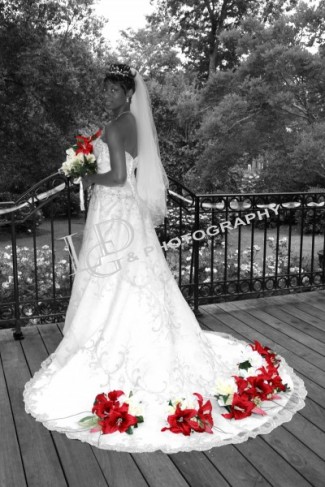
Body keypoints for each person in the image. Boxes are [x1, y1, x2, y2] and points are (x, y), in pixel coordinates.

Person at [23, 64, 307, 453]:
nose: (106, 95)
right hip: (126, 215)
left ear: (127, 93)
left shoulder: (116, 126)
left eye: (112, 90)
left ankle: (102, 336)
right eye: (104, 90)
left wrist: (89, 176)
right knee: (129, 275)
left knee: (112, 275)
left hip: (114, 208)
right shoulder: (130, 124)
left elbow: (119, 177)